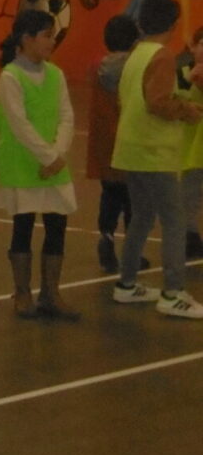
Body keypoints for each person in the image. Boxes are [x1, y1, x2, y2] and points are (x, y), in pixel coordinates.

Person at [111, 0, 203, 318]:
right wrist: (187, 110)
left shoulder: (136, 53)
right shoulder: (163, 56)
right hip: (155, 151)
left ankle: (126, 284)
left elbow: (138, 98)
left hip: (131, 148)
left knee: (142, 217)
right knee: (175, 221)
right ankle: (173, 292)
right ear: (175, 24)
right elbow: (158, 102)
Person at [0, 10, 79, 320]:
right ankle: (23, 293)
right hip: (22, 165)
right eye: (46, 35)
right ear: (27, 39)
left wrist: (58, 154)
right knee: (23, 227)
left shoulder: (56, 74)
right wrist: (48, 157)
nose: (51, 41)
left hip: (53, 165)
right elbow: (18, 124)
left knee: (57, 226)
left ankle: (51, 293)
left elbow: (67, 116)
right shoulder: (10, 77)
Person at [86, 15, 141, 273]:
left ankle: (106, 236)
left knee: (109, 194)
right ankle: (133, 252)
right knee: (133, 201)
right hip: (129, 142)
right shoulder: (135, 68)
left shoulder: (97, 67)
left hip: (103, 143)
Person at [177, 26, 203, 261]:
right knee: (188, 196)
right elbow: (174, 100)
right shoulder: (182, 72)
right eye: (202, 44)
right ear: (193, 47)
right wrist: (190, 79)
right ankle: (190, 237)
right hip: (190, 148)